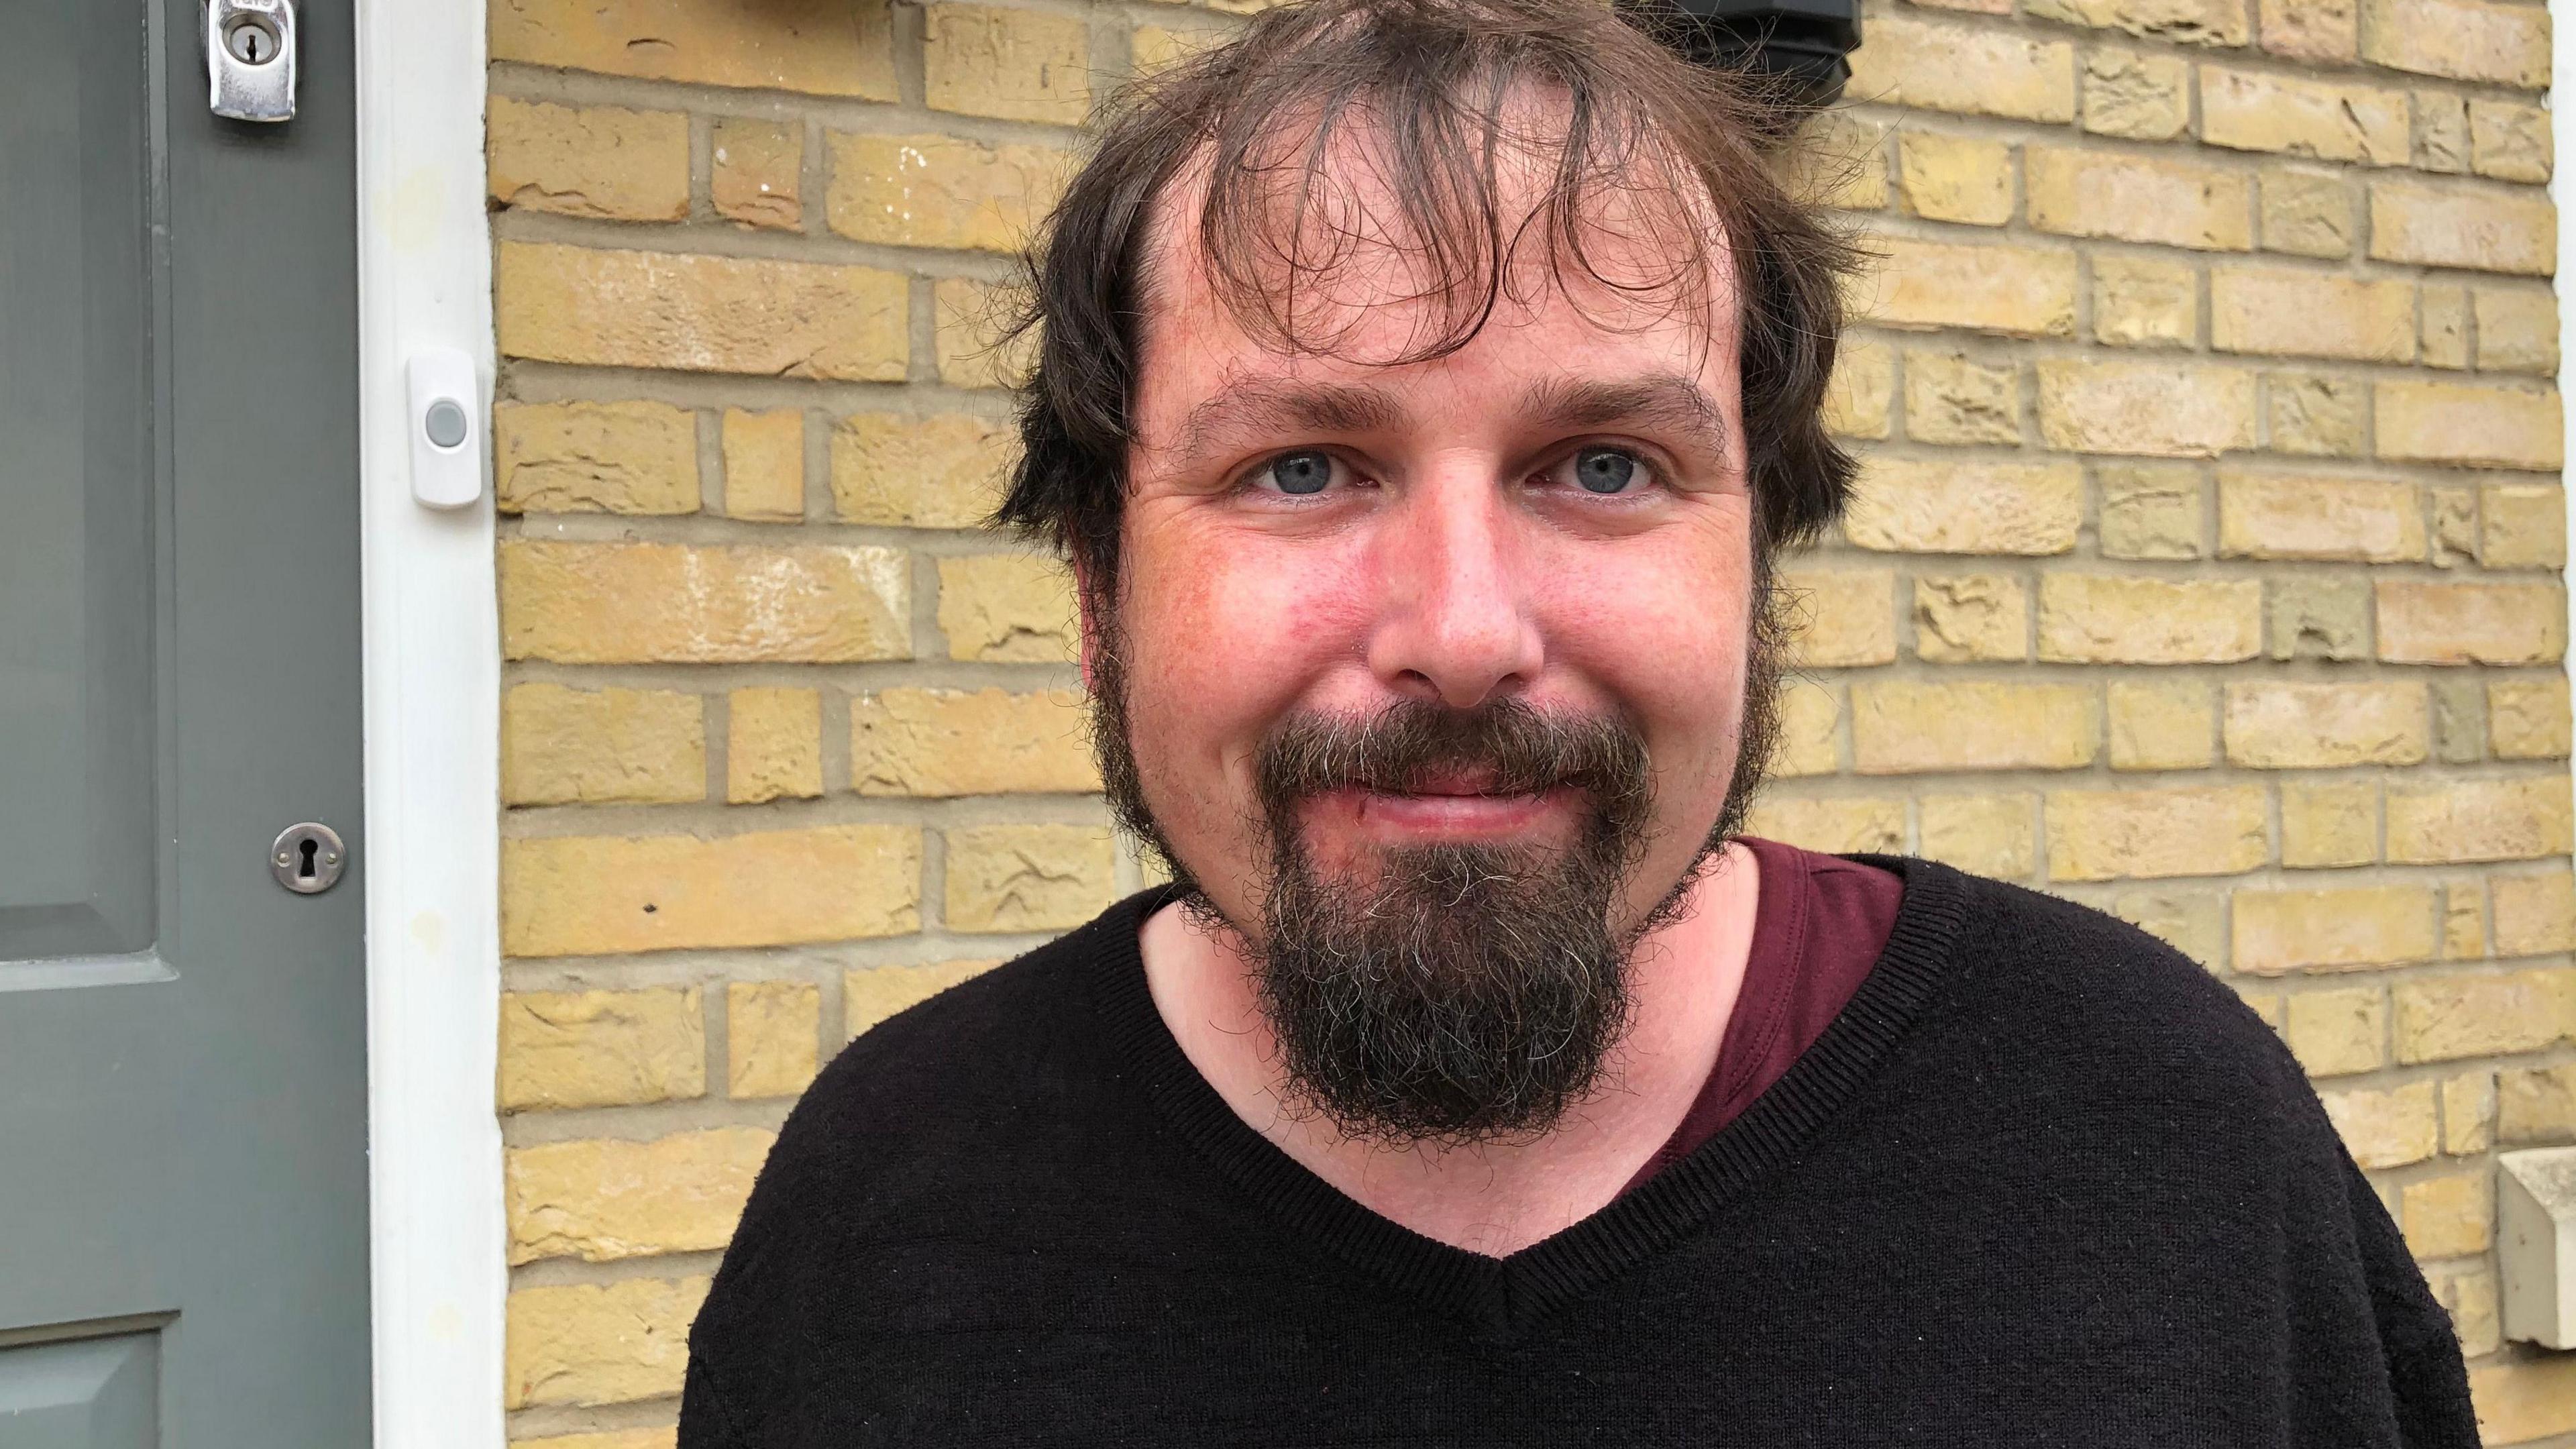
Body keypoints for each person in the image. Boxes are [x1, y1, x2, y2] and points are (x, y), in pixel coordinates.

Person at [679, 0, 2477, 1440]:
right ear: (1096, 593)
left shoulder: (2159, 1136)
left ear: (1763, 565)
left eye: (1603, 465)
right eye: (1303, 467)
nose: (1462, 636)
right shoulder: (884, 1208)